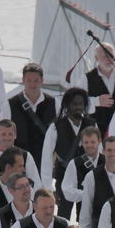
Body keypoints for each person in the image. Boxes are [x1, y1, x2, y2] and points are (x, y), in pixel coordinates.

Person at [41, 88, 95, 216]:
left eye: (81, 104)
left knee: (87, 215)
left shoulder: (91, 124)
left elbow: (99, 152)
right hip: (63, 176)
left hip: (86, 176)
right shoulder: (56, 126)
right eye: (74, 104)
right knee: (63, 215)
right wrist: (48, 188)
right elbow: (46, 158)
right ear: (67, 105)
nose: (78, 107)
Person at [0, 63, 56, 171]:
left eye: (36, 81)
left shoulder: (54, 103)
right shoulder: (10, 104)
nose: (32, 85)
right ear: (23, 80)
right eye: (29, 80)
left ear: (42, 80)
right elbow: (1, 133)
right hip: (18, 162)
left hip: (44, 161)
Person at [79, 136, 115, 228]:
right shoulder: (91, 176)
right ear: (103, 151)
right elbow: (86, 210)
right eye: (109, 150)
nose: (113, 153)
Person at [79, 41, 115, 133]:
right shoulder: (86, 78)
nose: (108, 59)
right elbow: (77, 103)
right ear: (96, 58)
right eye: (104, 56)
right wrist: (96, 101)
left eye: (111, 56)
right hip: (95, 132)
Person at [58, 125, 103, 221]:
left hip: (106, 216)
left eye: (92, 142)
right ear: (81, 143)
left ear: (99, 141)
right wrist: (87, 194)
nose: (89, 145)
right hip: (84, 217)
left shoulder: (107, 161)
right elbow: (67, 190)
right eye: (86, 142)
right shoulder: (74, 163)